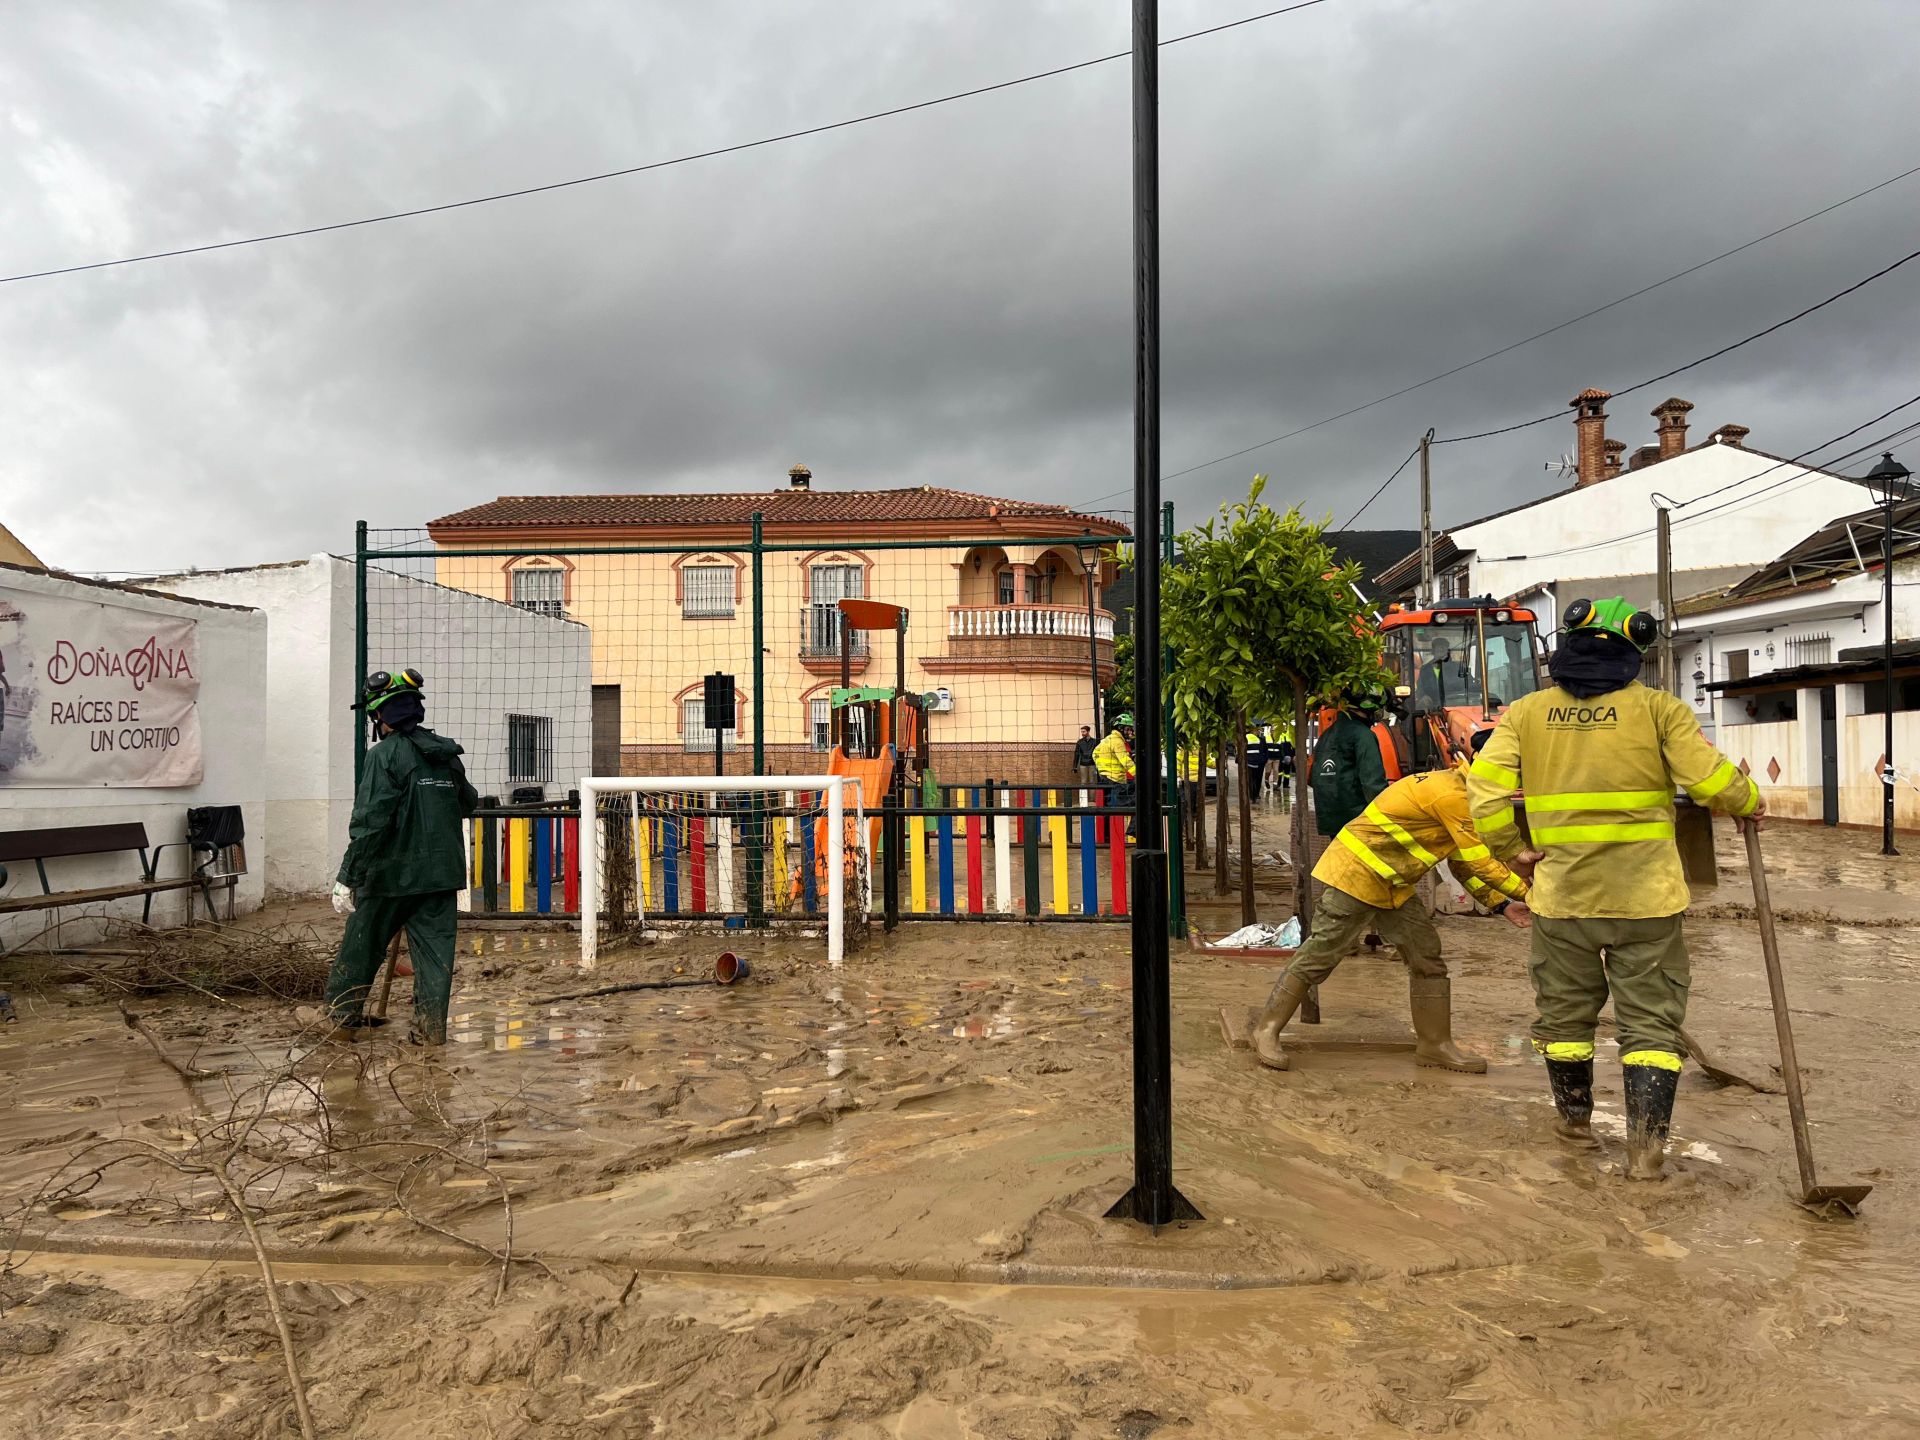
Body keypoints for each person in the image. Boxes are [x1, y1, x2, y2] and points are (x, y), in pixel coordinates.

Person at [1468, 597, 1764, 1180]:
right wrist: (1748, 800)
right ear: (1635, 652)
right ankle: (1646, 1158)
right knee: (1651, 1025)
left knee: (1564, 1020)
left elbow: (1484, 791)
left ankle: (1575, 1131)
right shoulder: (1662, 711)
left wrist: (1511, 851)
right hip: (1646, 901)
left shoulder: (1526, 713)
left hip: (1561, 900)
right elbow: (1711, 782)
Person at [1252, 729, 1532, 1073]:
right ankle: (1267, 1030)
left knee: (1426, 957)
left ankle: (1434, 1045)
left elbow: (1461, 863)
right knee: (1319, 955)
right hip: (1355, 875)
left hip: (1393, 884)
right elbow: (1479, 861)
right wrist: (1532, 894)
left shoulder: (1467, 793)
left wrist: (1502, 905)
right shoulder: (1455, 796)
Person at [308, 669, 479, 1045]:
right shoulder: (447, 755)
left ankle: (340, 1020)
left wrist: (347, 878)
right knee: (435, 960)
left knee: (362, 944)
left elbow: (371, 822)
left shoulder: (382, 756)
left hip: (389, 876)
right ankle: (430, 1035)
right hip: (441, 876)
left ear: (379, 717)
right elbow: (467, 802)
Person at [1310, 690, 1391, 837]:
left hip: (1331, 820)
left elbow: (1313, 777)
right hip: (1357, 821)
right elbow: (1373, 784)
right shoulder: (1363, 735)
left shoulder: (1326, 735)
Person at [1093, 713, 1137, 836]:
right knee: (1135, 803)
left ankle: (1107, 836)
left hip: (1106, 779)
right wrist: (1138, 774)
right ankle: (1132, 831)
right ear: (1120, 728)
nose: (1129, 732)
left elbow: (1095, 753)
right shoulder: (1117, 741)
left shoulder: (1107, 739)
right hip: (1116, 780)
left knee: (1109, 808)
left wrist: (1103, 770)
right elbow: (1125, 761)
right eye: (1127, 729)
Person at [1416, 644, 1478, 709]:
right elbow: (1420, 689)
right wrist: (1423, 697)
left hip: (1457, 705)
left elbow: (1470, 686)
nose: (1441, 650)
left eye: (1443, 648)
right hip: (1433, 708)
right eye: (1438, 648)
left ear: (1448, 651)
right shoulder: (1425, 669)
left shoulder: (1459, 667)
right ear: (1433, 651)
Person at [1072, 725, 1098, 789]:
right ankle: (1083, 799)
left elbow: (1097, 754)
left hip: (1092, 764)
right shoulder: (1079, 742)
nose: (1082, 733)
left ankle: (1092, 799)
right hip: (1083, 764)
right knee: (1083, 782)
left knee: (1092, 782)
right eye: (1082, 732)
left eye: (1084, 732)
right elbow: (1076, 754)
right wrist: (1074, 767)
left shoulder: (1094, 741)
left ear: (1088, 731)